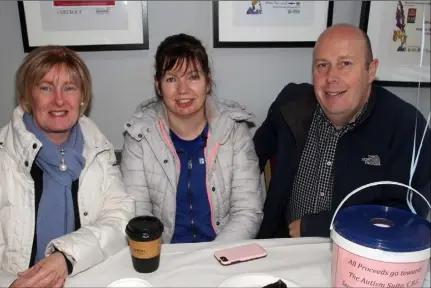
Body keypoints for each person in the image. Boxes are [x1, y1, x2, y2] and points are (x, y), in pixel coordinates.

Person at [0, 46, 135, 287]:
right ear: (26, 97)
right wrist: (8, 284)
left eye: (69, 88)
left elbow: (120, 219)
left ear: (83, 98)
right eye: (46, 87)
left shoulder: (98, 152)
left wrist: (66, 257)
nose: (59, 100)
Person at [254, 24, 430, 239]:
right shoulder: (291, 105)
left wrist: (322, 226)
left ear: (371, 71)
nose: (331, 77)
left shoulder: (406, 126)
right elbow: (249, 158)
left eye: (345, 64)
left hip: (360, 255)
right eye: (322, 65)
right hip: (280, 247)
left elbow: (408, 215)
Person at [120, 33, 264, 244]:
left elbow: (248, 211)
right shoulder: (140, 137)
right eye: (171, 79)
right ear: (158, 85)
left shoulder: (234, 130)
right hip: (164, 257)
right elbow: (138, 215)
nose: (183, 90)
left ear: (208, 81)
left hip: (223, 254)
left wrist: (213, 256)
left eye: (193, 77)